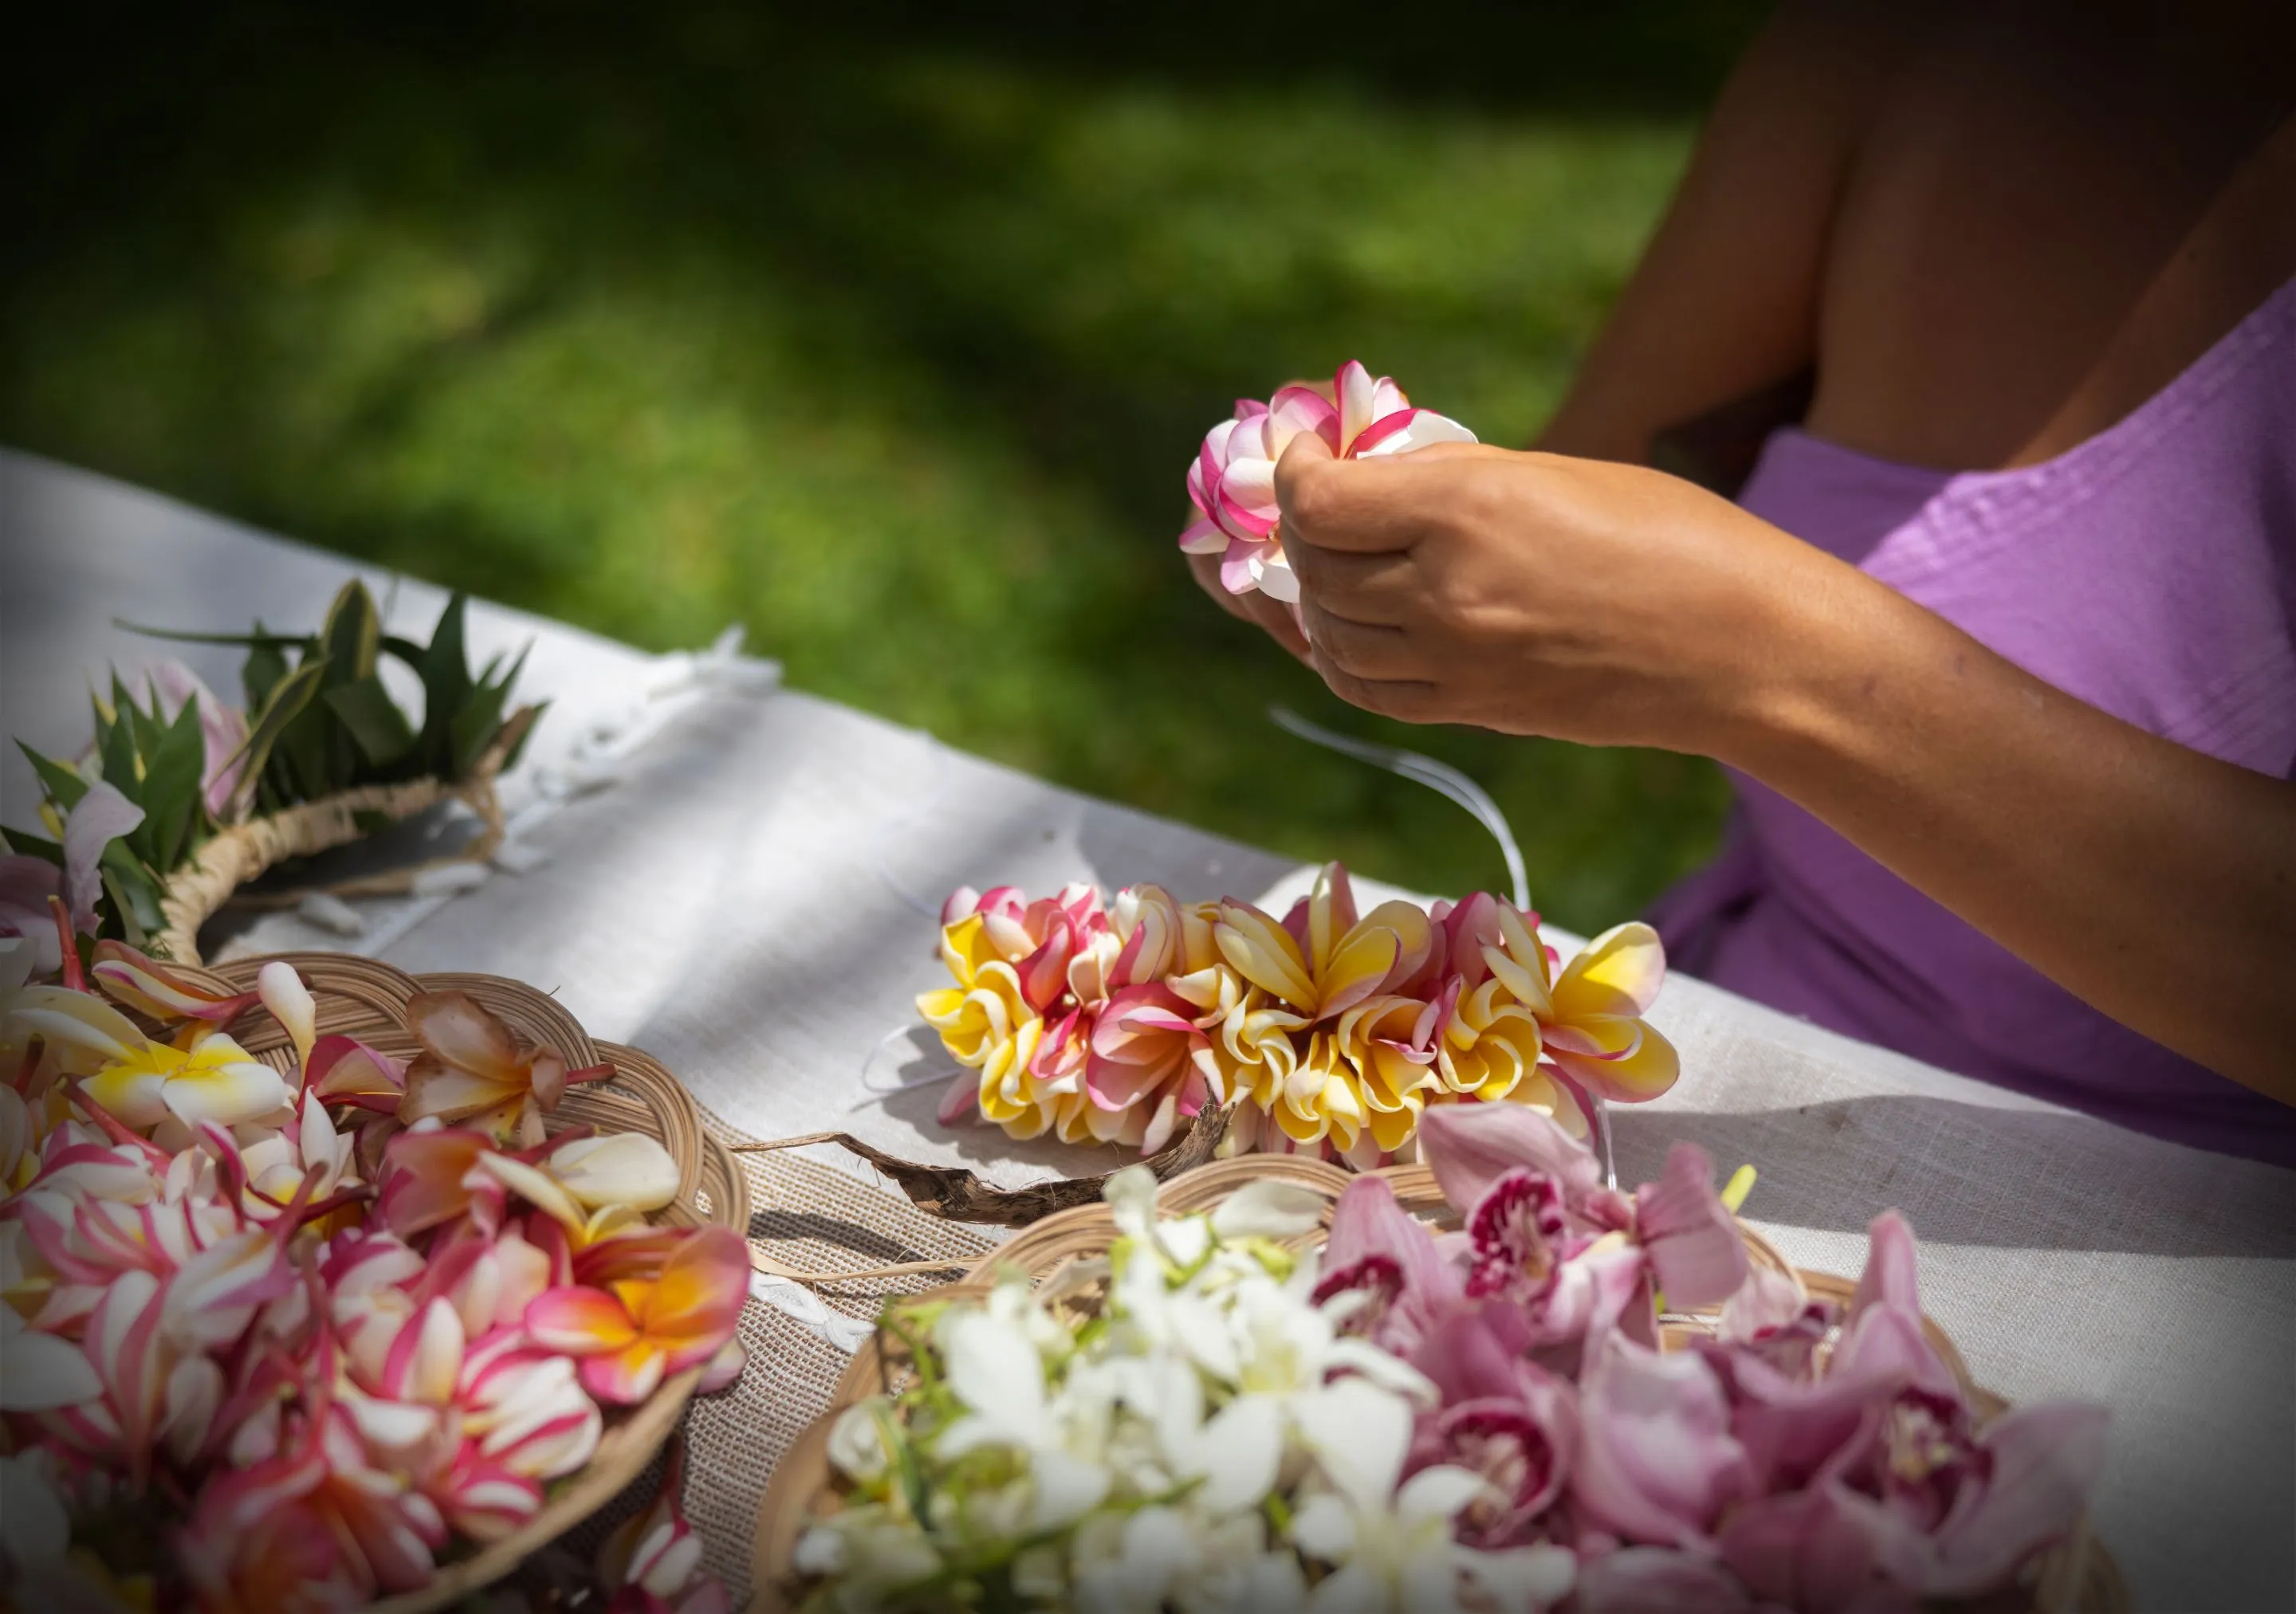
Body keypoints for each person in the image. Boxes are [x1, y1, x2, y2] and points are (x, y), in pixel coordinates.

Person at [1188, 2, 2296, 1164]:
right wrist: (1373, 511)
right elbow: (1578, 484)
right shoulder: (1901, 48)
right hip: (1720, 1073)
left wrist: (1772, 662)